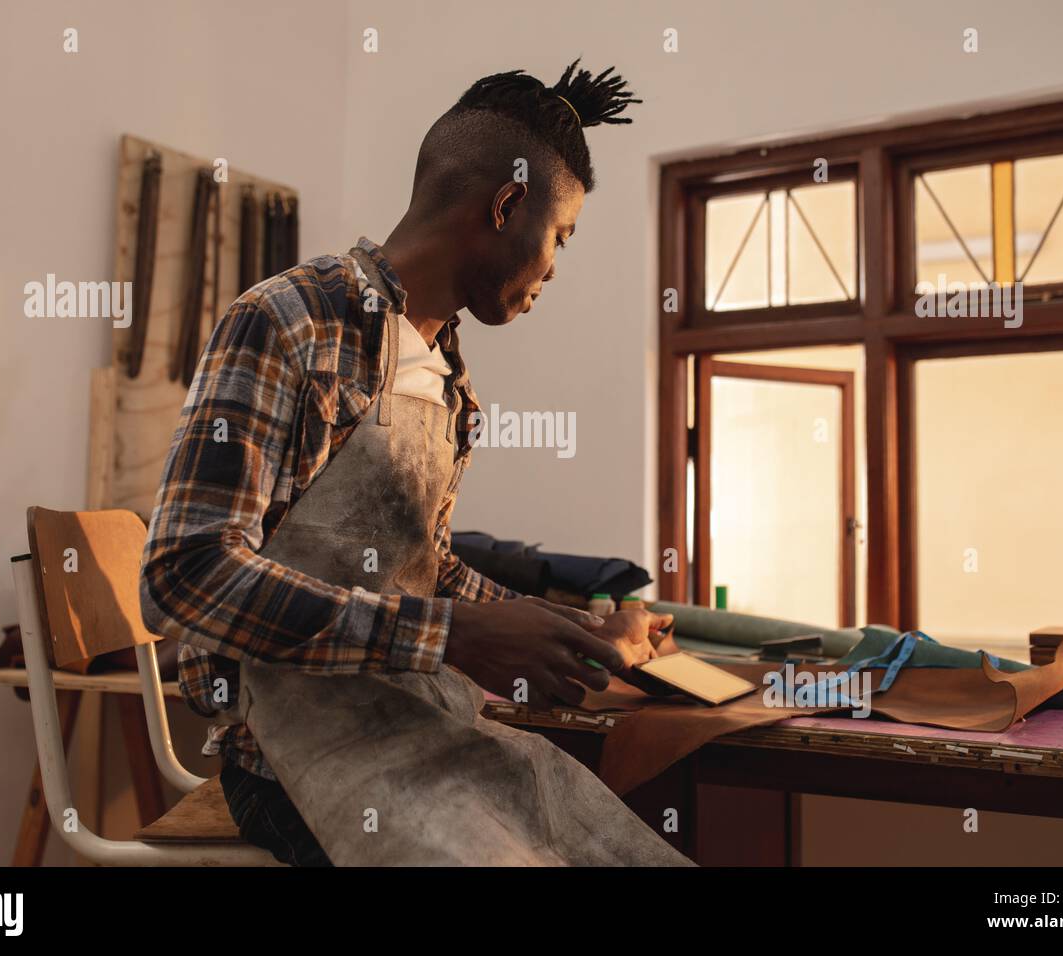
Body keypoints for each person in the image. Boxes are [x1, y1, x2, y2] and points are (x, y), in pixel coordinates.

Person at [139, 59, 690, 866]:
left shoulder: (449, 382)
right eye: (559, 238)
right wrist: (451, 634)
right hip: (290, 765)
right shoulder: (290, 321)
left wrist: (583, 633)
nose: (553, 270)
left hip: (423, 732)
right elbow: (185, 574)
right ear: (507, 206)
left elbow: (418, 574)